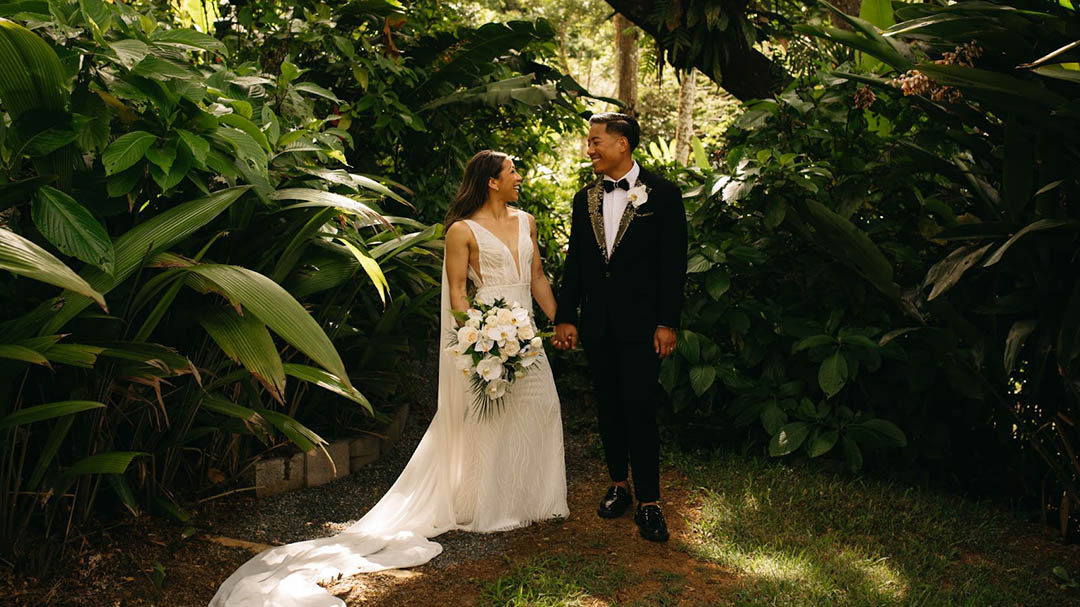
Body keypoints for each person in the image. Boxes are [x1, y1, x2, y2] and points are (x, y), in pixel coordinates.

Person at [210, 150, 568, 607]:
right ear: (491, 181)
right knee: (491, 417)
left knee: (541, 407)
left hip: (526, 334)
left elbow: (536, 274)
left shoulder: (527, 220)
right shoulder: (461, 230)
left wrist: (559, 321)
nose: (520, 177)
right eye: (513, 171)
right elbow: (458, 292)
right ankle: (492, 509)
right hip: (489, 333)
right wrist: (478, 339)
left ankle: (539, 501)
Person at [553, 112, 688, 543]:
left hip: (645, 325)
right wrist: (566, 315)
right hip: (598, 325)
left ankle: (650, 502)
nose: (589, 149)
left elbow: (674, 266)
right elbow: (575, 261)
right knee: (608, 406)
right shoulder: (585, 198)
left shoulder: (663, 195)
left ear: (622, 144)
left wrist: (668, 322)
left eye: (596, 142)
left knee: (640, 407)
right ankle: (618, 485)